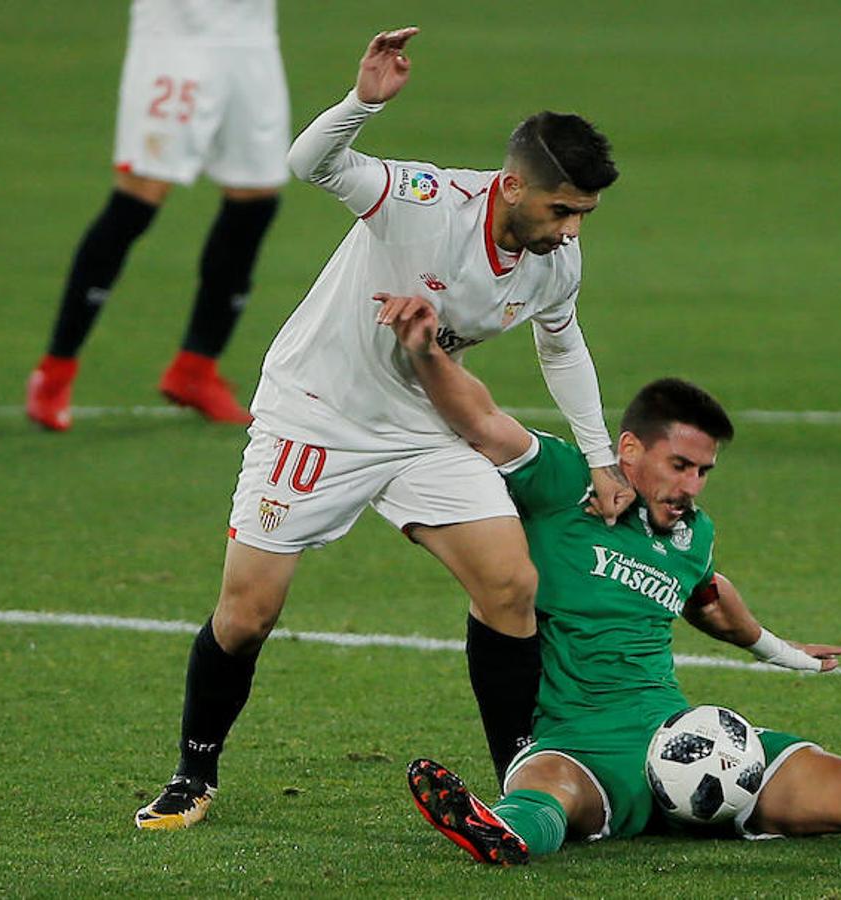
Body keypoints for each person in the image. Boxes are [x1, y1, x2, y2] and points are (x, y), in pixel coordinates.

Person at [376, 296, 841, 865]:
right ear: (628, 449)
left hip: (678, 732)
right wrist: (425, 351)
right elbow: (481, 420)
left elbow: (707, 599)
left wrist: (774, 648)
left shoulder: (689, 535)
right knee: (546, 791)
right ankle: (499, 831)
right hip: (573, 736)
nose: (693, 485)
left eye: (704, 471)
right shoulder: (567, 478)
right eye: (679, 465)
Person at [133, 28, 634, 830]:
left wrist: (603, 459)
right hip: (316, 416)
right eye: (562, 210)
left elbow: (560, 343)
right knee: (247, 612)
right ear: (511, 186)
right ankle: (195, 773)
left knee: (510, 586)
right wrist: (363, 103)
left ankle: (521, 776)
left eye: (584, 214)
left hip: (423, 429)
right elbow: (310, 165)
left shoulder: (554, 262)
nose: (572, 230)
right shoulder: (425, 202)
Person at [26, 0, 289, 431]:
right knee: (138, 199)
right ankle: (54, 372)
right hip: (177, 38)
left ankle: (196, 368)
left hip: (251, 38)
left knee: (256, 197)